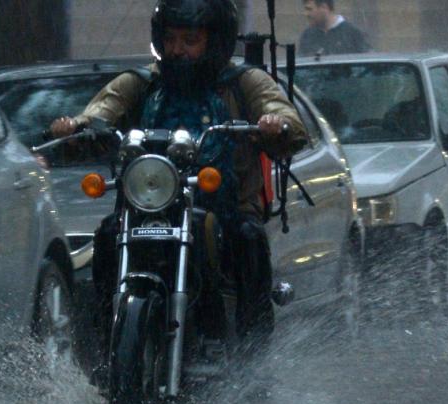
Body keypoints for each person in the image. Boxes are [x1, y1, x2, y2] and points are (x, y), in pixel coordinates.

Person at [50, 0, 307, 351]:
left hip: (227, 206)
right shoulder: (144, 82)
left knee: (249, 240)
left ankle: (254, 351)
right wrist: (77, 127)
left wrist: (275, 124)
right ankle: (105, 342)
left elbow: (285, 119)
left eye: (190, 40)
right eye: (170, 39)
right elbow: (102, 110)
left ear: (215, 41)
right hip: (150, 204)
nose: (177, 49)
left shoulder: (243, 81)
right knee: (109, 234)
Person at [298, 0, 371, 56]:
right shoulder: (307, 36)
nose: (306, 14)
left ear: (324, 7)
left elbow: (369, 65)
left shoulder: (353, 33)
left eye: (309, 9)